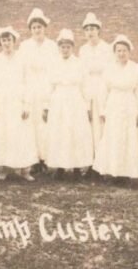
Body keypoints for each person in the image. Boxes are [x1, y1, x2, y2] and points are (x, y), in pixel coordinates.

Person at [0, 27, 37, 181]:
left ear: (14, 41)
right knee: (3, 134)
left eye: (9, 40)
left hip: (18, 101)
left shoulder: (22, 59)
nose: (6, 43)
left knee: (21, 134)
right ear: (0, 42)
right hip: (2, 102)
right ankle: (4, 168)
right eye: (3, 40)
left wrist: (27, 105)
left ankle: (25, 169)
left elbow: (29, 83)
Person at [93, 34, 138, 185]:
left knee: (127, 138)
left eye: (124, 50)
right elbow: (103, 91)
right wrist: (102, 110)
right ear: (114, 52)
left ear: (129, 52)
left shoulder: (135, 68)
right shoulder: (109, 69)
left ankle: (126, 173)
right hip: (113, 104)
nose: (121, 54)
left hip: (129, 104)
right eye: (119, 51)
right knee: (113, 137)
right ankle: (112, 172)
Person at [44, 29, 93, 181]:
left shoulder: (79, 64)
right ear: (59, 48)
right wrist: (46, 106)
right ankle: (60, 167)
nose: (65, 50)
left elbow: (86, 86)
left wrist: (87, 107)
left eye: (68, 47)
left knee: (75, 133)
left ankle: (77, 167)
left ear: (72, 48)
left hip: (75, 101)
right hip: (58, 101)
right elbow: (48, 87)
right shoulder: (53, 63)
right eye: (62, 47)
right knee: (60, 133)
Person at [18, 8, 58, 173]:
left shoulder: (52, 45)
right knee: (31, 123)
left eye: (39, 26)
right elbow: (21, 69)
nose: (37, 30)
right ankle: (33, 159)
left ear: (44, 28)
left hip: (46, 85)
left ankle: (46, 158)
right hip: (30, 86)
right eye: (34, 27)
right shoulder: (25, 46)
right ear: (30, 29)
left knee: (46, 122)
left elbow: (55, 68)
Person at [79, 12, 113, 160]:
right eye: (87, 29)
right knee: (89, 124)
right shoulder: (83, 50)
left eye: (93, 29)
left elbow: (110, 70)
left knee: (101, 124)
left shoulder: (107, 48)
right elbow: (82, 72)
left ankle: (102, 161)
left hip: (102, 86)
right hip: (87, 87)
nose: (90, 32)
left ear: (98, 30)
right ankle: (91, 161)